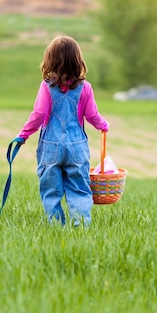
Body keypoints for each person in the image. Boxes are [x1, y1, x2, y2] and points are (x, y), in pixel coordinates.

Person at [15, 35, 109, 227]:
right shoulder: (85, 87)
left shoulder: (46, 86)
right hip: (77, 148)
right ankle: (80, 226)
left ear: (50, 61)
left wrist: (23, 135)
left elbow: (39, 114)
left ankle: (57, 226)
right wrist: (103, 125)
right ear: (78, 61)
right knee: (80, 189)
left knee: (51, 190)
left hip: (50, 147)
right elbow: (92, 115)